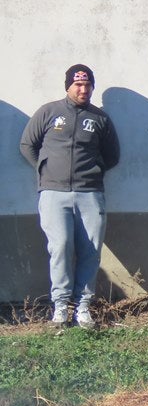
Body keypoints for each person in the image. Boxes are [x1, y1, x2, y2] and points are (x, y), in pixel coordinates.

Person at [19, 64, 120, 328]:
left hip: (90, 193)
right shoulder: (49, 112)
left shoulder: (100, 119)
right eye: (78, 84)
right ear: (68, 86)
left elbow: (112, 156)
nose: (83, 89)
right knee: (61, 247)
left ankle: (83, 306)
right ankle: (61, 305)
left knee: (90, 249)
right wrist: (45, 169)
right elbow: (27, 144)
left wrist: (93, 171)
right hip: (53, 193)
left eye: (87, 85)